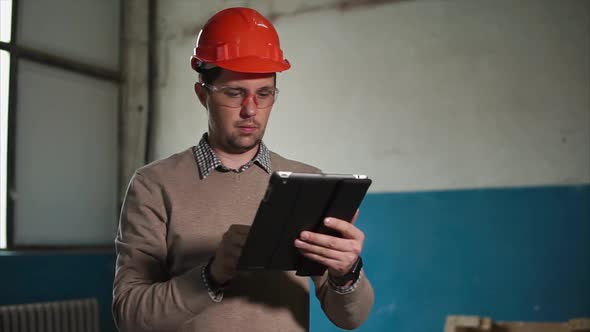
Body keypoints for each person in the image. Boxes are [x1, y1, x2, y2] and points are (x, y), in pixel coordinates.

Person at [112, 7, 374, 332]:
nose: (251, 110)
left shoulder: (309, 183)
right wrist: (211, 275)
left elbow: (351, 317)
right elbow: (129, 315)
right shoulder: (154, 185)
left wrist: (347, 272)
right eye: (235, 93)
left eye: (264, 94)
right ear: (202, 94)